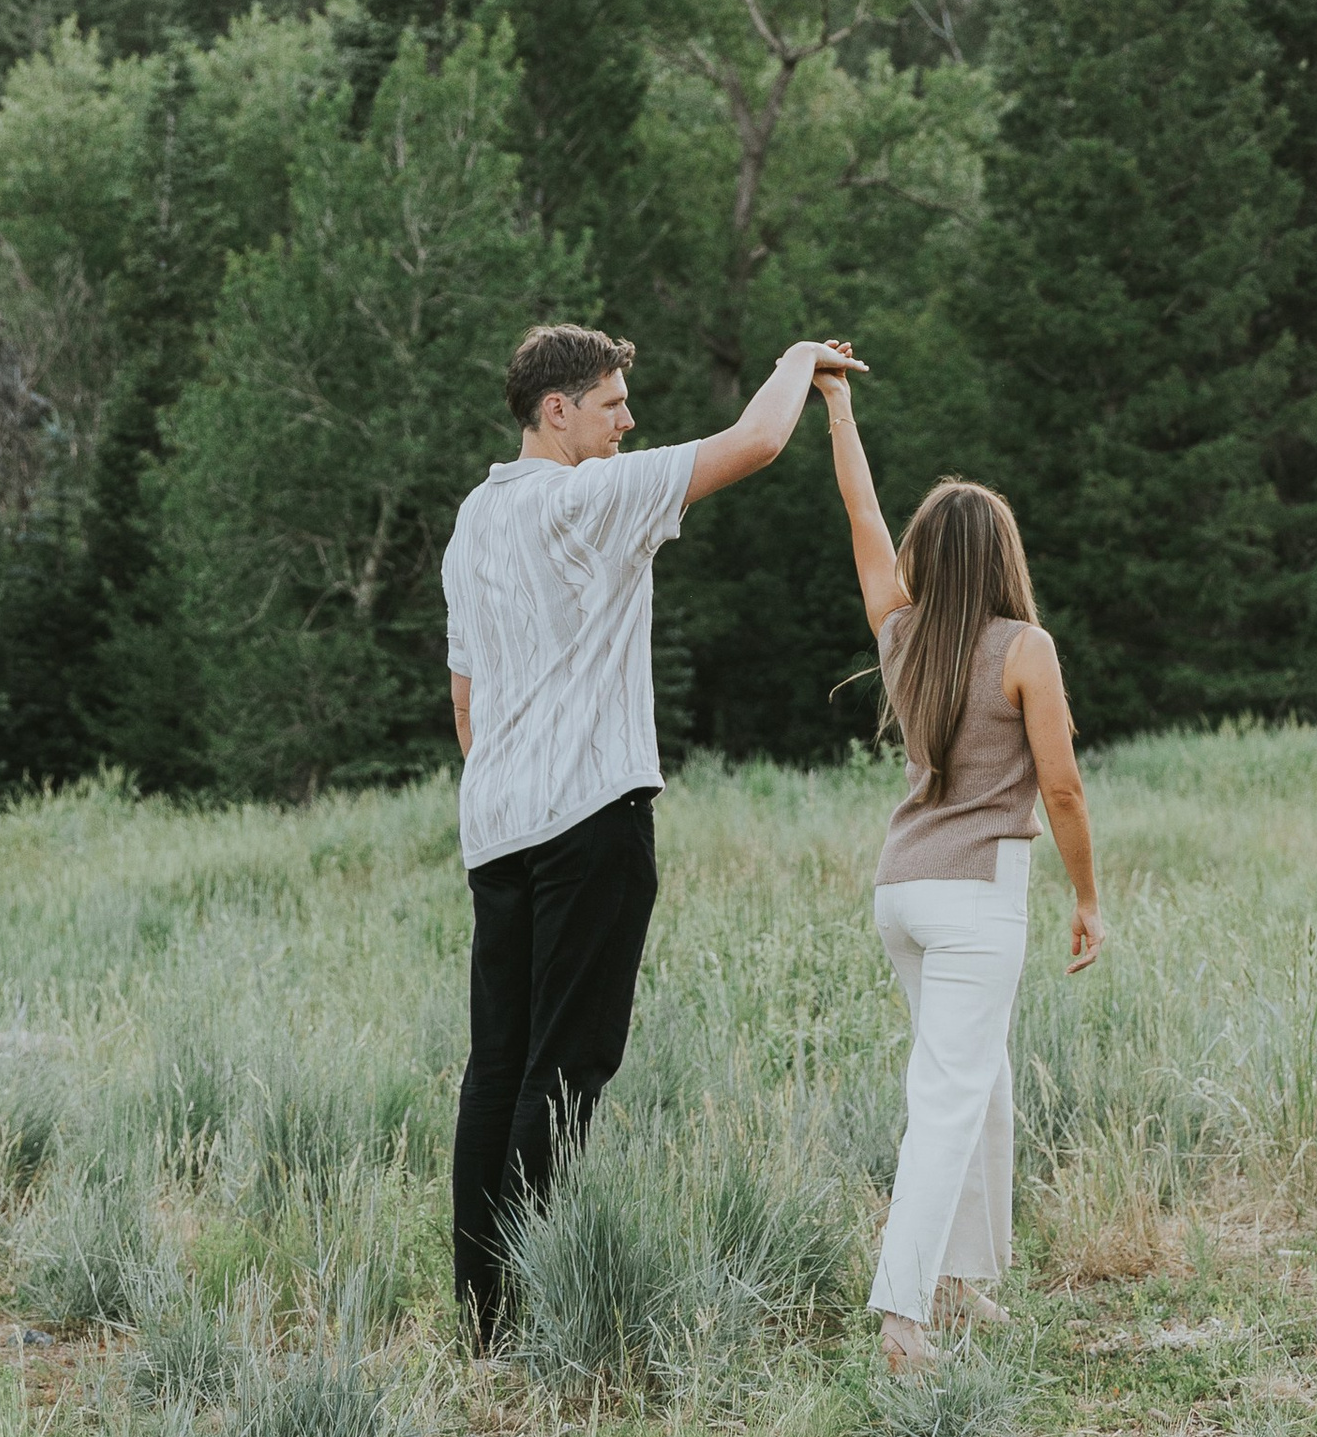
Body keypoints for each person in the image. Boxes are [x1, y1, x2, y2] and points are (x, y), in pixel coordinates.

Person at [442, 318, 864, 1344]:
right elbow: (754, 446)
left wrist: (504, 777)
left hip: (497, 824)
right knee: (569, 1064)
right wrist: (795, 363)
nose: (629, 420)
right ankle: (536, 1299)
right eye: (612, 402)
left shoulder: (473, 520)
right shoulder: (587, 495)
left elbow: (465, 690)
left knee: (498, 1064)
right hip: (590, 816)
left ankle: (483, 1313)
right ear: (558, 411)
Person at [818, 358, 1104, 1371]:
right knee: (948, 1097)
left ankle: (960, 1278)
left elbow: (859, 510)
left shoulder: (901, 636)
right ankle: (903, 1319)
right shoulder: (1025, 648)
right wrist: (1089, 899)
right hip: (979, 892)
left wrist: (839, 410)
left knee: (979, 1088)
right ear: (1004, 556)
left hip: (901, 889)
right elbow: (1062, 790)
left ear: (928, 555)